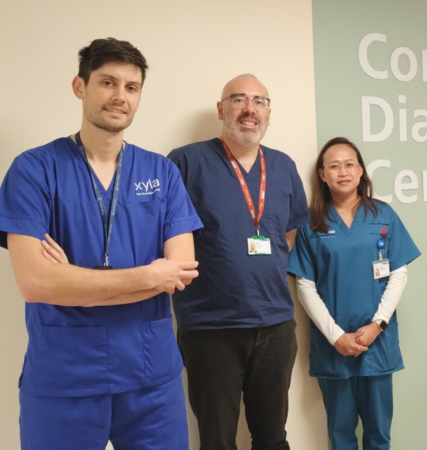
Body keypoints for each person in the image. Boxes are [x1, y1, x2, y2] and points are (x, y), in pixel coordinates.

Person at [0, 38, 203, 449]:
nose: (120, 96)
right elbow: (35, 283)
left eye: (131, 87)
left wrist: (72, 282)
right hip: (64, 378)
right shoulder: (33, 170)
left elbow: (180, 273)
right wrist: (147, 275)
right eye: (107, 82)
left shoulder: (164, 173)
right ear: (79, 86)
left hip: (151, 379)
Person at [168, 74, 309, 450]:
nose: (250, 109)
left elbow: (290, 233)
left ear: (268, 112)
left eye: (259, 101)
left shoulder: (283, 165)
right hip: (211, 328)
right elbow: (165, 236)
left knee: (273, 438)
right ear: (221, 109)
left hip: (276, 324)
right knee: (217, 441)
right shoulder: (186, 161)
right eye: (239, 99)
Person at [287, 137, 420, 450]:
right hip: (333, 344)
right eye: (334, 166)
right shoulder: (310, 223)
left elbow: (398, 274)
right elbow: (304, 285)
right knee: (340, 433)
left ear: (361, 170)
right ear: (322, 174)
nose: (342, 172)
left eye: (349, 164)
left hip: (377, 340)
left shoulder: (384, 215)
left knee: (379, 433)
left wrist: (378, 326)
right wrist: (335, 336)